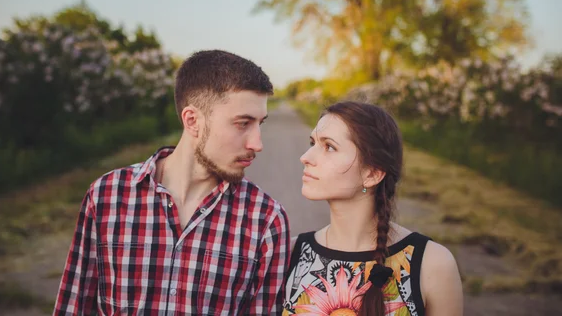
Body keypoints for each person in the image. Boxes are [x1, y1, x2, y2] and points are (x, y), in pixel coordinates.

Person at [54, 49, 290, 315]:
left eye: (260, 124)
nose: (257, 143)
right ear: (192, 121)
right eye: (242, 123)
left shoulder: (266, 219)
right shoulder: (107, 196)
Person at [282, 101, 463, 316]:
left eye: (329, 147)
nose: (306, 157)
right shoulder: (290, 255)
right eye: (312, 143)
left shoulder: (431, 264)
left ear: (372, 174)